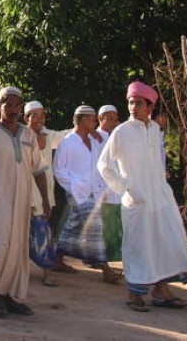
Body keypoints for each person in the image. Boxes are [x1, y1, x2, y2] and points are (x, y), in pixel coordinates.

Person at [97, 81, 187, 312]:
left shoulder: (154, 129)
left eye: (138, 103)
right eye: (131, 102)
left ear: (149, 106)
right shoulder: (121, 132)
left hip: (160, 197)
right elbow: (104, 166)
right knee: (137, 246)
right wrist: (127, 189)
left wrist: (163, 187)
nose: (133, 107)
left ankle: (161, 290)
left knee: (165, 241)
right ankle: (134, 295)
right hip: (136, 201)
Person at [0, 86, 51, 318]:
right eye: (8, 105)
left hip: (23, 202)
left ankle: (8, 295)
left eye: (17, 105)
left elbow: (39, 170)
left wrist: (44, 199)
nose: (13, 110)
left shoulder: (28, 136)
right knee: (0, 247)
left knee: (18, 249)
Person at [53, 105, 123, 284]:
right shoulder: (68, 143)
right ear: (83, 120)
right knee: (96, 227)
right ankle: (105, 269)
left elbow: (108, 148)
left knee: (72, 227)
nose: (95, 123)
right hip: (77, 192)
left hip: (92, 192)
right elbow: (59, 171)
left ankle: (57, 258)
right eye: (93, 119)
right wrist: (74, 186)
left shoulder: (94, 140)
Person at [22, 100, 67, 286]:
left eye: (41, 115)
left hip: (44, 196)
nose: (39, 119)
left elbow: (68, 135)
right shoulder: (21, 136)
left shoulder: (49, 135)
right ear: (26, 118)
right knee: (21, 235)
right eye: (34, 115)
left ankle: (46, 271)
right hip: (25, 195)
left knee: (43, 233)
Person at [97, 104, 123, 263]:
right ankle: (100, 258)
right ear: (101, 119)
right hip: (101, 188)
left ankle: (114, 256)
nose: (114, 123)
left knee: (115, 224)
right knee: (103, 226)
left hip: (117, 189)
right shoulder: (94, 137)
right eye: (110, 119)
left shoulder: (117, 137)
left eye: (116, 119)